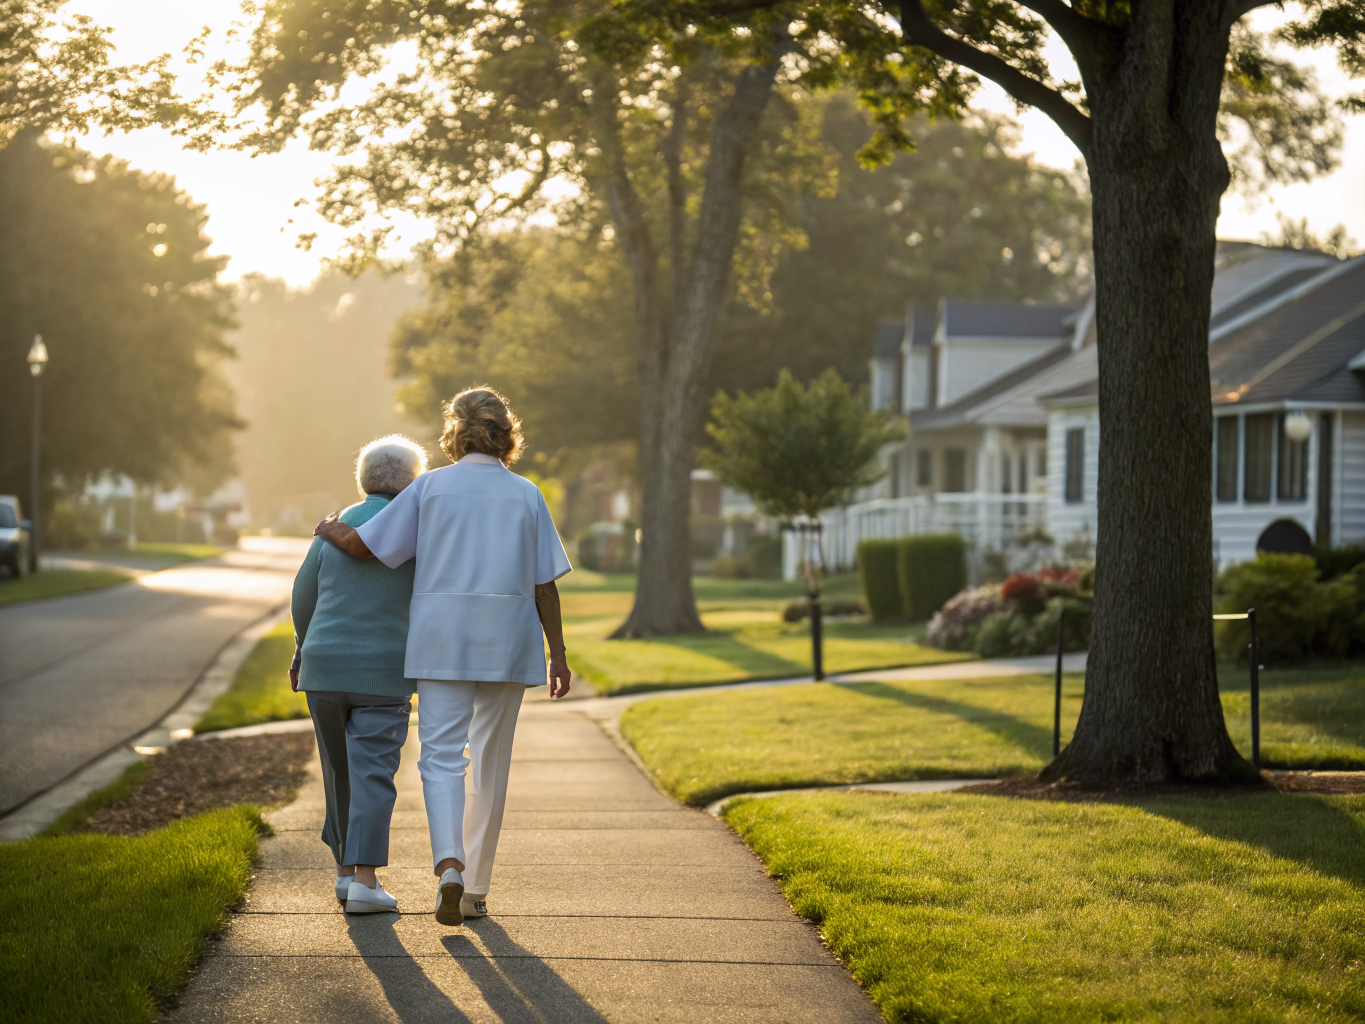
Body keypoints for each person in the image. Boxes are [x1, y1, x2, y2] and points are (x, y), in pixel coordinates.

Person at [315, 387, 571, 927]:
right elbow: (545, 584)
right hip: (507, 637)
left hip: (440, 639)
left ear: (455, 434)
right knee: (491, 764)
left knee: (440, 758)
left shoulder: (430, 487)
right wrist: (559, 657)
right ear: (507, 435)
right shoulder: (526, 495)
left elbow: (366, 547)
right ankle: (475, 888)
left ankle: (448, 865)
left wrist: (330, 528)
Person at [290, 435, 428, 914]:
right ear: (412, 481)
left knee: (337, 770)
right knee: (372, 771)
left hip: (323, 667)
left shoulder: (337, 525)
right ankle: (366, 883)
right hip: (383, 671)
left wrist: (301, 652)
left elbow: (303, 594)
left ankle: (346, 875)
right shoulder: (414, 526)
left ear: (364, 480)